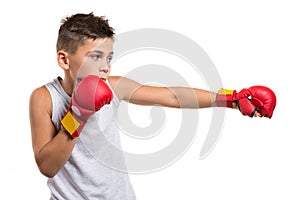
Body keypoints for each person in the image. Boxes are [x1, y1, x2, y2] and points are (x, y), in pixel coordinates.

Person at [29, 13, 276, 200]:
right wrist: (77, 116)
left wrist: (230, 99)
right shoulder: (45, 97)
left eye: (109, 58)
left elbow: (170, 96)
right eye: (95, 57)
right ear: (64, 59)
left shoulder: (114, 86)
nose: (106, 67)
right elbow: (47, 167)